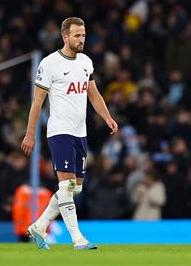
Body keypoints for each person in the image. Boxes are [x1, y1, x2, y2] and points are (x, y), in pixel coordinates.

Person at [21, 17, 118, 250]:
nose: (81, 39)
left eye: (83, 35)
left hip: (80, 133)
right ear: (65, 37)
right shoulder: (50, 63)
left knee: (76, 188)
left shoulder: (86, 62)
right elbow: (37, 102)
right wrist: (30, 133)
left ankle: (39, 226)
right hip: (59, 131)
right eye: (77, 35)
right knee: (66, 187)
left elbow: (93, 94)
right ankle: (78, 239)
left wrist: (108, 117)